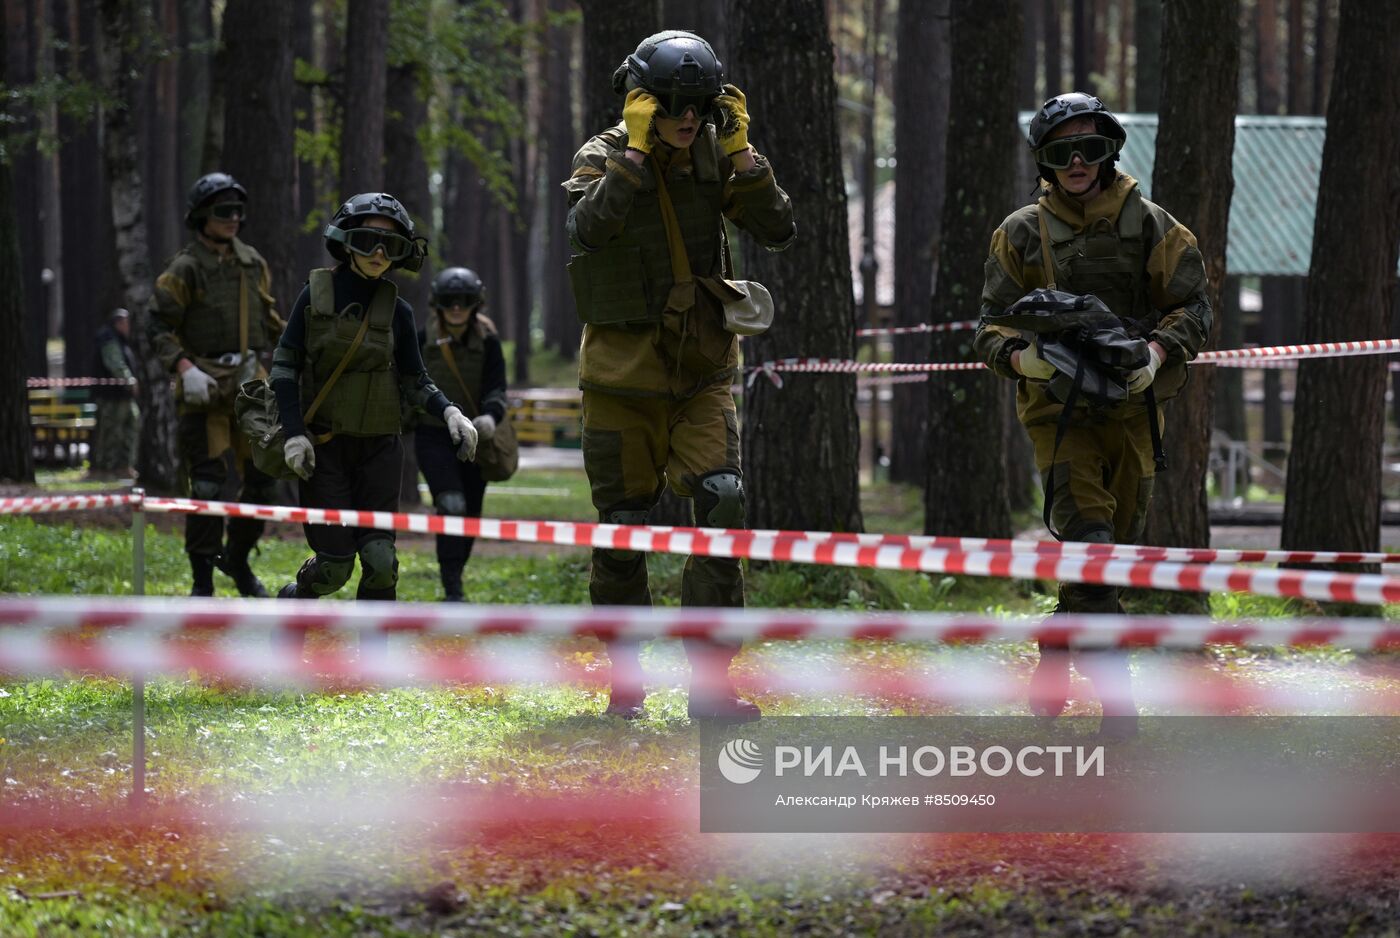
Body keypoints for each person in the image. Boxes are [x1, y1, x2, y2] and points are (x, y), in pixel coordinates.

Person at [562, 30, 795, 721]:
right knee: (624, 526)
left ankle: (712, 684)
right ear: (639, 101)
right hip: (620, 376)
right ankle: (625, 678)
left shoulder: (716, 154)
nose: (688, 116)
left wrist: (743, 155)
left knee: (721, 503)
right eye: (671, 104)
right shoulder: (602, 156)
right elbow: (587, 229)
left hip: (699, 369)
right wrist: (635, 153)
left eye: (699, 103)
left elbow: (777, 227)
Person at [973, 92, 1212, 734]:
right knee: (1094, 546)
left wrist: (1158, 352)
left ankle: (1059, 640)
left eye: (1090, 148)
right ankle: (1118, 705)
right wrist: (1027, 361)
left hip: (1135, 413)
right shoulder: (1022, 232)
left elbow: (1196, 306)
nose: (1077, 162)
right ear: (1045, 162)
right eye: (1062, 152)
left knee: (1108, 558)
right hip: (1060, 415)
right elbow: (989, 328)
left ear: (1110, 151)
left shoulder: (1152, 225)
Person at [270, 193, 477, 614]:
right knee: (333, 568)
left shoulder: (397, 310)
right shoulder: (313, 296)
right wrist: (294, 435)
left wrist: (450, 411)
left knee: (382, 561)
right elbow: (284, 367)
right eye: (368, 241)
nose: (379, 254)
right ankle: (291, 605)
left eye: (392, 246)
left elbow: (415, 379)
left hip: (381, 451)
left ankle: (373, 667)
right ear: (345, 242)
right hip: (324, 450)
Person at [149, 172, 285, 597]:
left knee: (266, 478)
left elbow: (270, 320)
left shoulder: (253, 264)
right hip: (203, 387)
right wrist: (184, 367)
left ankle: (238, 562)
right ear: (202, 215)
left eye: (238, 211)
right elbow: (157, 326)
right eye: (224, 211)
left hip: (250, 384)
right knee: (207, 486)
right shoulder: (184, 269)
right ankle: (202, 582)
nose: (233, 219)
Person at [415, 267, 508, 602]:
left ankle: (456, 574)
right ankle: (451, 584)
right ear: (438, 304)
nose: (456, 308)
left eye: (464, 301)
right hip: (433, 435)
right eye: (449, 301)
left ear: (475, 304)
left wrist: (490, 418)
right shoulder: (422, 338)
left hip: (476, 437)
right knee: (451, 504)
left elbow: (498, 386)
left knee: (470, 514)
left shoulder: (489, 340)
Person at [90, 308, 139, 478]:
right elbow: (115, 363)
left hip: (122, 395)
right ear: (119, 323)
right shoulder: (109, 339)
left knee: (130, 428)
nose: (129, 327)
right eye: (126, 323)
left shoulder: (119, 340)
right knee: (111, 433)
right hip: (111, 395)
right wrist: (129, 381)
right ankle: (105, 467)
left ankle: (124, 466)